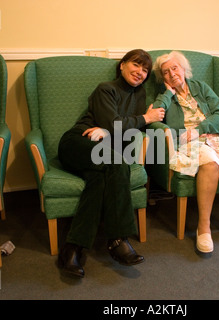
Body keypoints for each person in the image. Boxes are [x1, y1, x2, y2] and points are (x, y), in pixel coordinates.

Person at [57, 49, 165, 278]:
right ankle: (118, 239)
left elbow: (123, 132)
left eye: (145, 70)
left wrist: (111, 128)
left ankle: (72, 248)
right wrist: (143, 119)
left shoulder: (140, 96)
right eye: (136, 65)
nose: (140, 72)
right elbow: (116, 124)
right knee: (117, 163)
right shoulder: (106, 89)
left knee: (99, 180)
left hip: (104, 154)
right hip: (78, 142)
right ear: (122, 65)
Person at [152, 51, 219, 253]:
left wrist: (199, 130)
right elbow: (156, 114)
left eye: (175, 68)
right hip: (188, 142)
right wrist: (168, 93)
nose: (172, 74)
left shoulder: (201, 87)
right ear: (163, 78)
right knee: (210, 164)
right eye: (166, 72)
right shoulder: (165, 96)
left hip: (215, 136)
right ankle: (204, 227)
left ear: (183, 69)